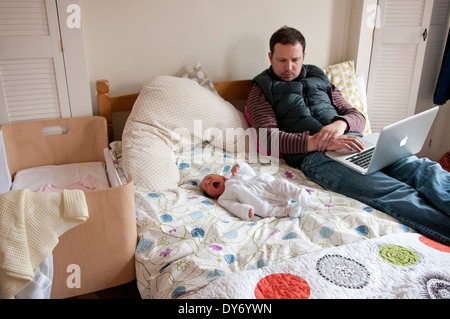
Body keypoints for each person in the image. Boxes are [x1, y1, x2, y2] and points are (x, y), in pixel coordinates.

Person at [247, 26, 450, 244]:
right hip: (318, 158)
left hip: (357, 142)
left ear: (304, 56)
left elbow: (356, 115)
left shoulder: (319, 77)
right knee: (394, 191)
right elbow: (269, 137)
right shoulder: (261, 89)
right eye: (281, 60)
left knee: (425, 169)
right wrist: (318, 141)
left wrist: (341, 125)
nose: (289, 67)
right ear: (270, 57)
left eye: (295, 59)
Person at [201, 163, 310, 220]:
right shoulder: (223, 199)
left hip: (267, 186)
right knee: (265, 211)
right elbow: (233, 206)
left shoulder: (235, 176)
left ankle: (298, 194)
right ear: (213, 196)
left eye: (210, 177)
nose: (209, 181)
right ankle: (287, 211)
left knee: (281, 183)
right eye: (207, 185)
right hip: (259, 202)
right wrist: (245, 210)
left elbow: (249, 171)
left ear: (221, 177)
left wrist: (239, 166)